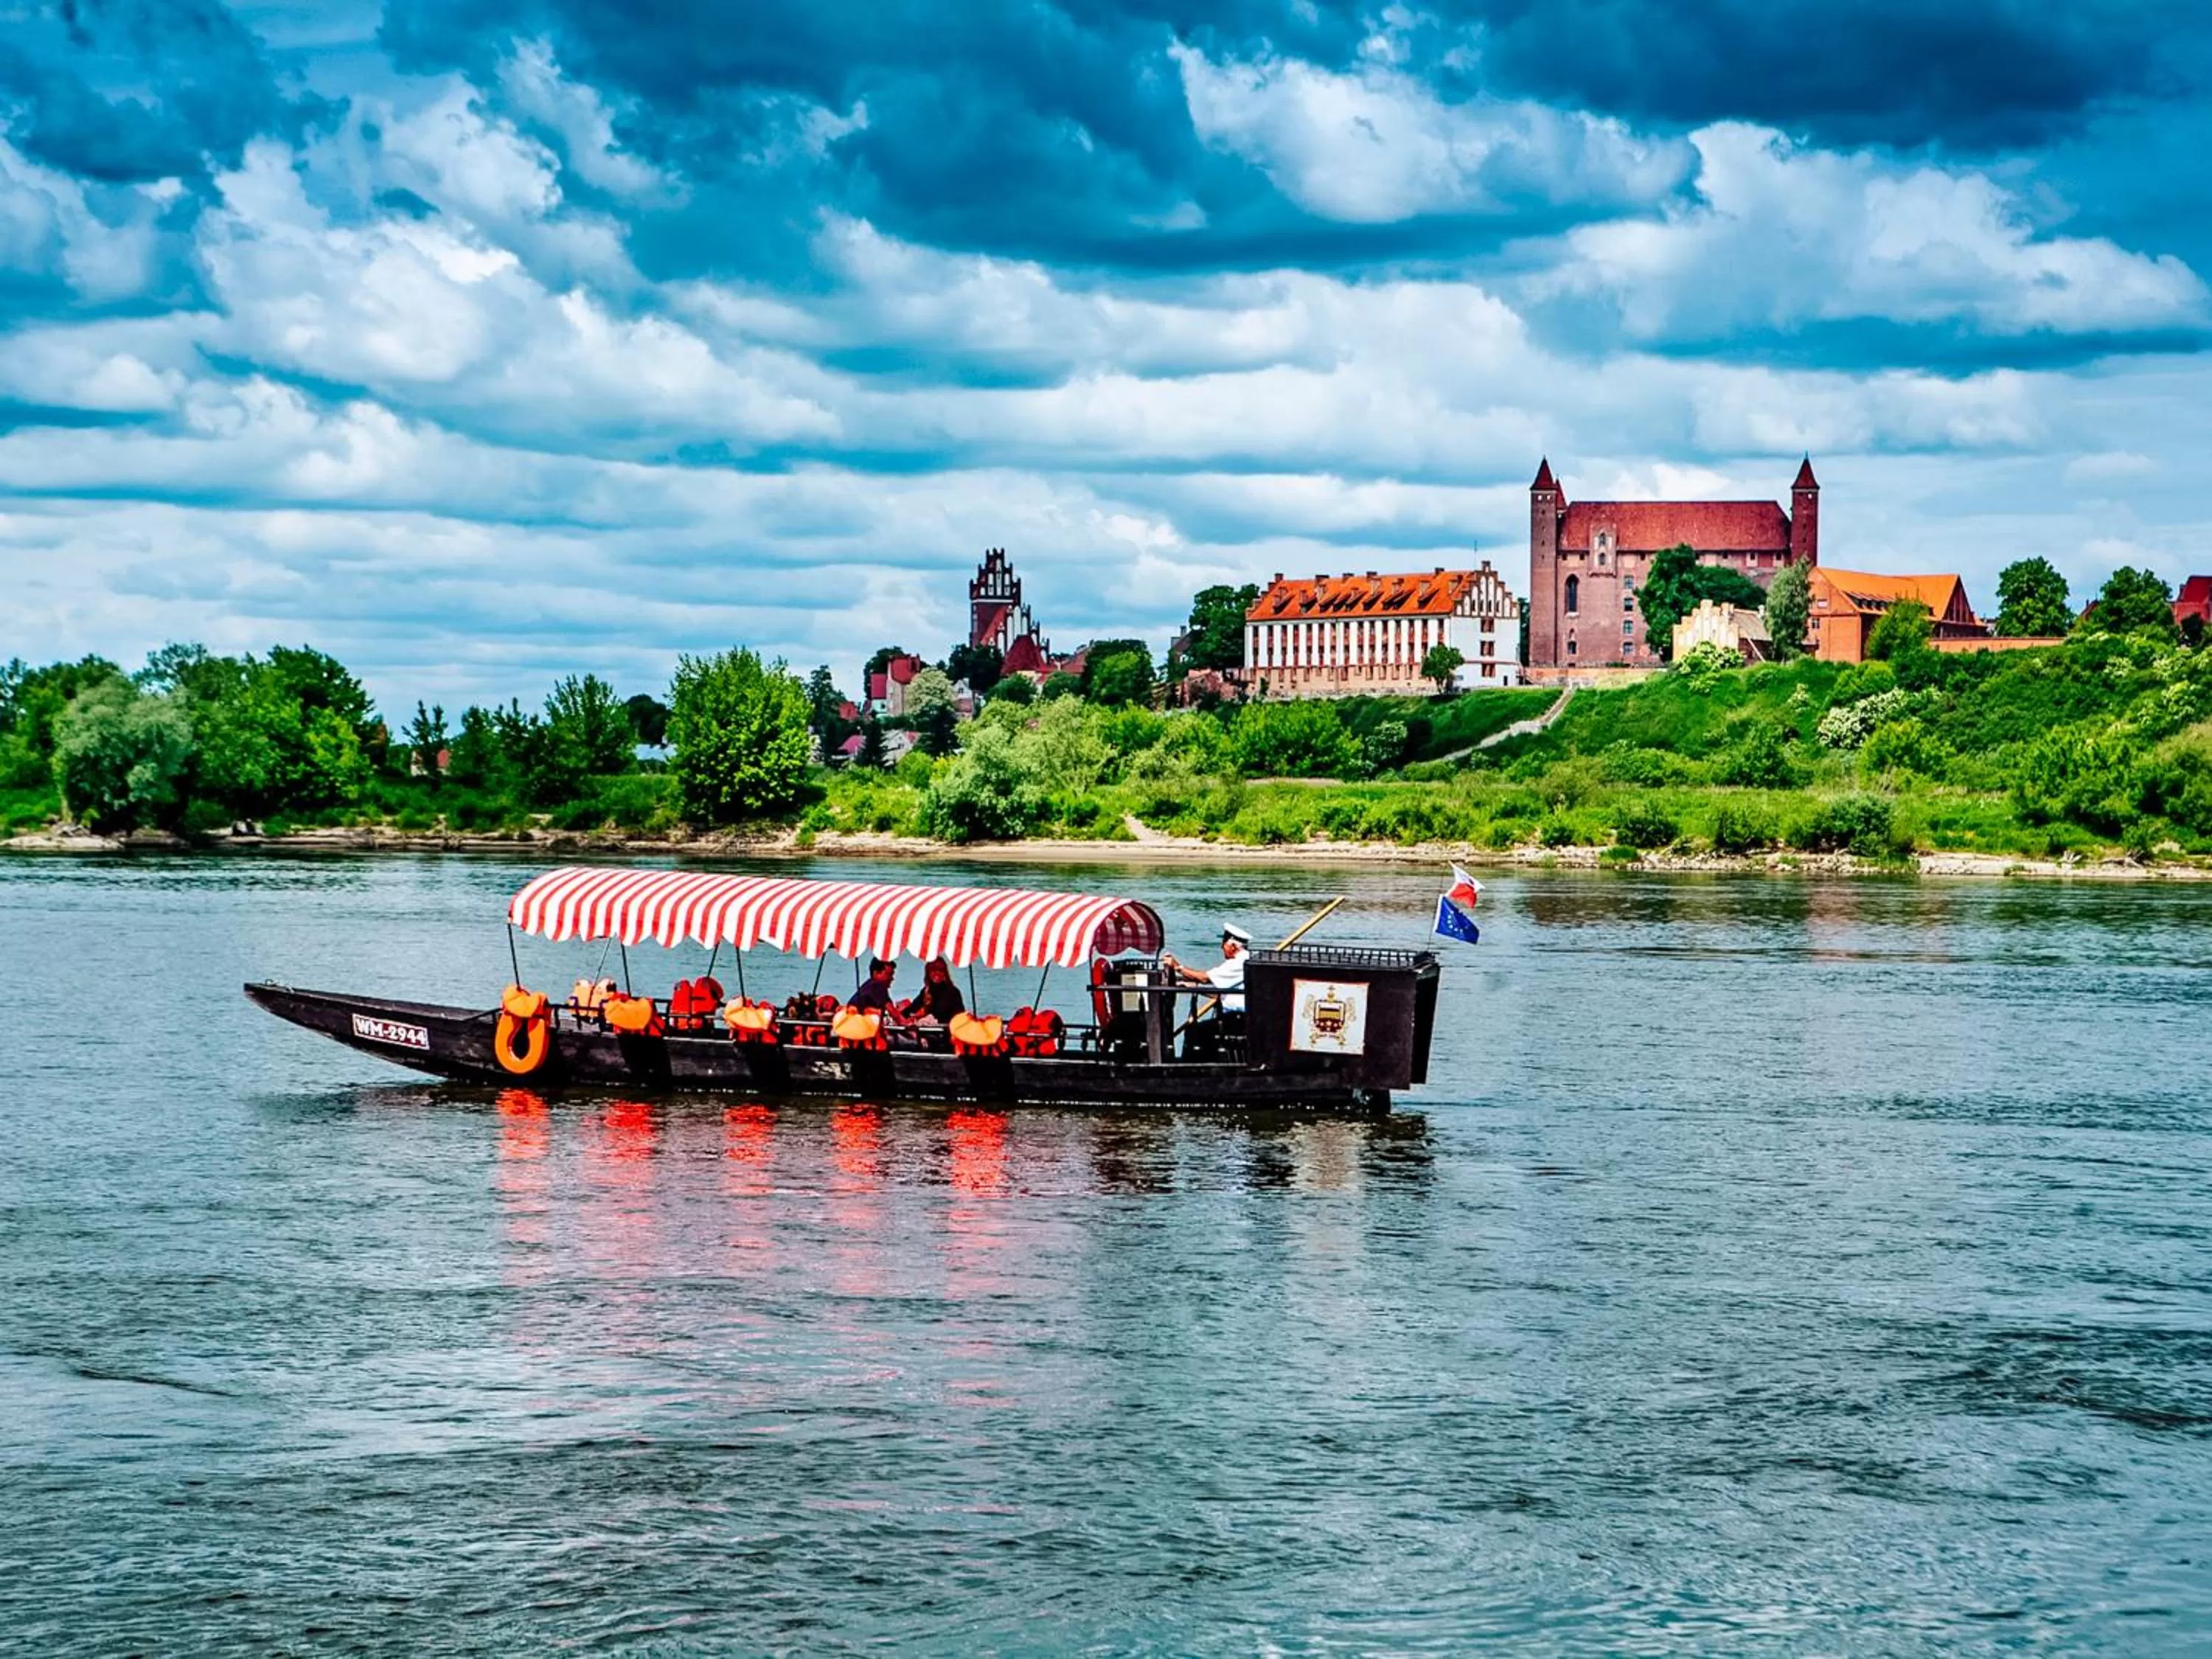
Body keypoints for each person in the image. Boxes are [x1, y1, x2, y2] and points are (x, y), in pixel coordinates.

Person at [1163, 923, 1252, 1014]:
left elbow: (1205, 978)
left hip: (1237, 1018)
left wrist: (1177, 967)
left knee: (1195, 1029)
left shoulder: (1237, 963)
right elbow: (1223, 992)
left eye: (1224, 943)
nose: (1222, 947)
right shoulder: (1247, 959)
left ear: (1233, 947)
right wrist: (1197, 988)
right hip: (1240, 1014)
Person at [900, 957, 966, 1027]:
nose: (937, 973)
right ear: (928, 973)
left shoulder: (951, 991)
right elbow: (913, 1007)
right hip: (935, 1028)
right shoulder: (927, 990)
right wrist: (900, 1016)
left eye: (940, 970)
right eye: (933, 971)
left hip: (951, 1028)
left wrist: (921, 1018)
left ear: (945, 973)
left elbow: (938, 1012)